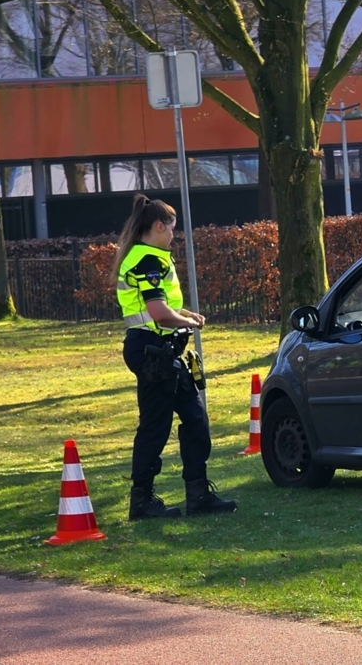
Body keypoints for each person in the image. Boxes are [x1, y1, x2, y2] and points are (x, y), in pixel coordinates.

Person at [113, 194, 237, 520]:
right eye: (171, 229)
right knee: (155, 427)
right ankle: (141, 500)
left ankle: (198, 495)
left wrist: (187, 315)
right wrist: (186, 322)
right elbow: (157, 313)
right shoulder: (147, 260)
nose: (173, 236)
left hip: (165, 352)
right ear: (157, 226)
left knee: (196, 420)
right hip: (151, 350)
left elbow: (163, 307)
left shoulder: (151, 257)